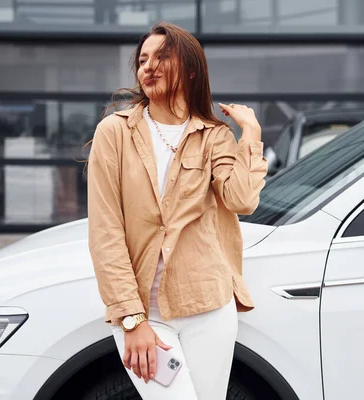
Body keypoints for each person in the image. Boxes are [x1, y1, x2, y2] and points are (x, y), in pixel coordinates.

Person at [86, 22, 267, 399]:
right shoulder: (114, 133)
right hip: (144, 313)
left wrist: (250, 134)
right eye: (142, 60)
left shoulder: (214, 135)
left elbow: (241, 199)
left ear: (189, 69)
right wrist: (132, 321)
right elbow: (106, 232)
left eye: (161, 57)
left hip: (209, 307)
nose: (148, 67)